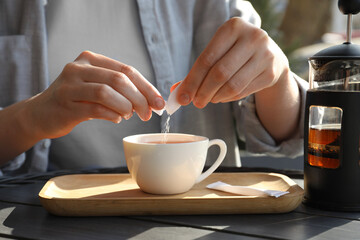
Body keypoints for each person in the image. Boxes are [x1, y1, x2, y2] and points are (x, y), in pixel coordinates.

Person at [0, 0, 307, 175]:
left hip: (200, 224)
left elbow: (291, 132)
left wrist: (276, 80)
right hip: (45, 222)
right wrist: (30, 118)